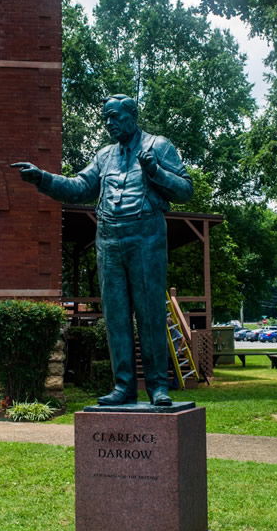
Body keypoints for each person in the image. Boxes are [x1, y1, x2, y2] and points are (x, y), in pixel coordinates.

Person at [12, 95, 193, 406]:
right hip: (109, 239)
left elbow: (186, 191)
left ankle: (158, 387)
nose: (109, 124)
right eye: (105, 119)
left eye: (114, 117)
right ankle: (123, 386)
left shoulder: (159, 146)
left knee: (150, 315)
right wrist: (42, 179)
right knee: (116, 317)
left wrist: (156, 173)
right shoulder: (105, 156)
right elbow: (80, 187)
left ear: (131, 115)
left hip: (146, 236)